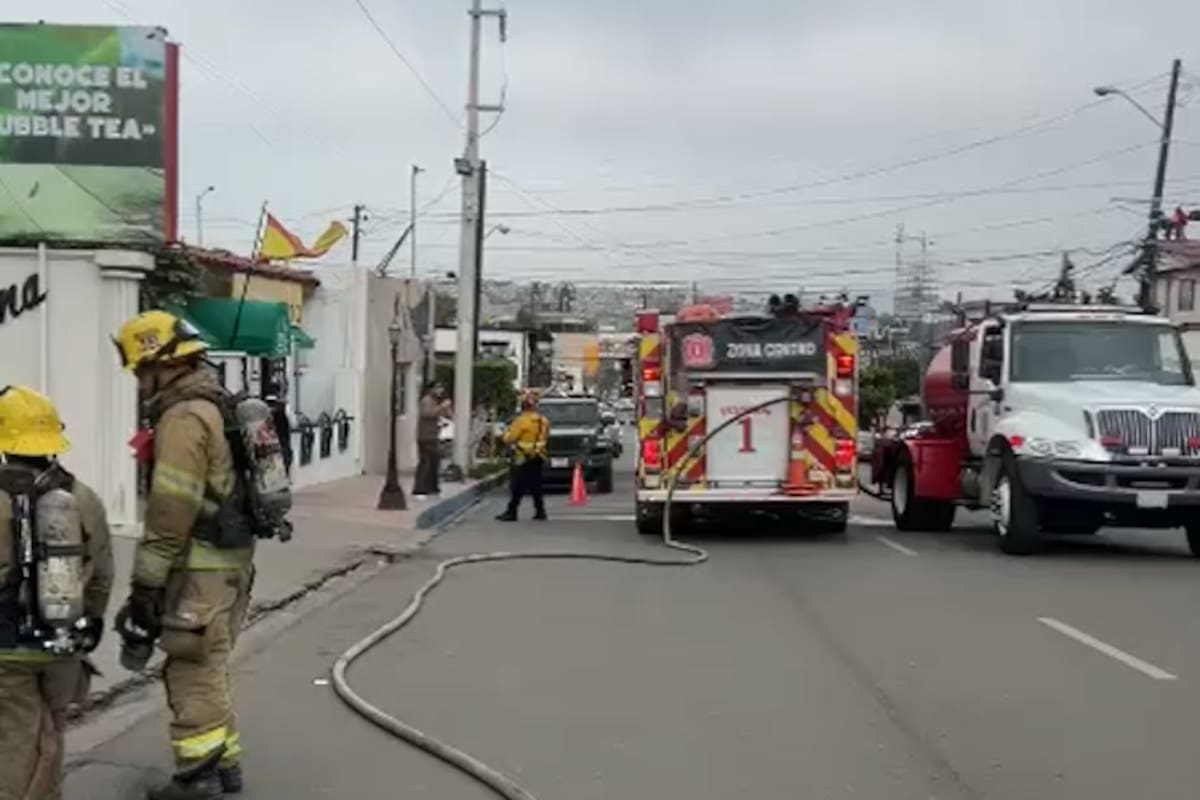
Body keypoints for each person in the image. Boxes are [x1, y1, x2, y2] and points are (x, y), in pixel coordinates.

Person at [112, 310, 256, 800]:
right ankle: (225, 769)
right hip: (229, 563)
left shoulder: (183, 418)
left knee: (191, 671)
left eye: (140, 371)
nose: (137, 382)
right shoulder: (217, 404)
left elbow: (171, 511)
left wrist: (146, 584)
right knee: (210, 667)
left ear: (163, 363)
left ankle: (198, 781)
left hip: (198, 570)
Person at [0, 386, 113, 800]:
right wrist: (87, 621)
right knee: (52, 736)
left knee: (13, 742)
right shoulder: (82, 498)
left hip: (7, 647)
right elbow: (102, 573)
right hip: (64, 640)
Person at [497, 393, 549, 522]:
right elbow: (546, 437)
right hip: (539, 456)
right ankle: (540, 511)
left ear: (523, 407)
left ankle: (511, 512)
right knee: (536, 486)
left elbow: (510, 439)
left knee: (518, 486)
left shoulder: (521, 421)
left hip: (523, 457)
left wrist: (505, 434)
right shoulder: (544, 420)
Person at [414, 382, 451, 497]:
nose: (441, 391)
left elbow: (441, 415)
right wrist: (442, 407)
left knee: (435, 463)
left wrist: (446, 411)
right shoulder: (426, 400)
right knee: (425, 463)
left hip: (433, 435)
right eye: (438, 388)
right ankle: (419, 489)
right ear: (432, 389)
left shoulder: (434, 401)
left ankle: (432, 488)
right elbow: (427, 414)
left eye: (442, 388)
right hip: (425, 436)